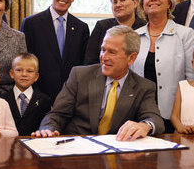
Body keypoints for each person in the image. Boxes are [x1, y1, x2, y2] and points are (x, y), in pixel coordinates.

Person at [32, 25, 165, 141]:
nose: (104, 57)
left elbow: (155, 120)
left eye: (112, 52)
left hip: (116, 153)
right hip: (78, 149)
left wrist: (144, 125)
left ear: (131, 58)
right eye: (103, 49)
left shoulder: (144, 87)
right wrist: (48, 129)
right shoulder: (80, 75)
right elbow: (57, 114)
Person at [130, 0, 194, 133]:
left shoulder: (185, 34)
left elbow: (192, 79)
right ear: (142, 4)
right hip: (138, 114)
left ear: (169, 3)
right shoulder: (133, 36)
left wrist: (184, 118)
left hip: (173, 116)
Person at [21, 0, 90, 104]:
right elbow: (26, 61)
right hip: (38, 98)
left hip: (71, 98)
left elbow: (83, 66)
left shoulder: (82, 28)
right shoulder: (31, 24)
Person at [84, 0, 146, 65]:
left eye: (122, 0)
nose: (118, 5)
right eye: (115, 2)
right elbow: (89, 62)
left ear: (135, 3)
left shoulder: (145, 27)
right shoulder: (102, 27)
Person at [0, 53, 51, 136]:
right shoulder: (2, 100)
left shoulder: (44, 100)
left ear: (36, 76)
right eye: (19, 70)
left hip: (35, 144)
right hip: (8, 145)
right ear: (12, 74)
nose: (24, 74)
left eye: (29, 71)